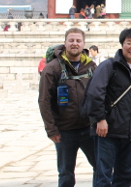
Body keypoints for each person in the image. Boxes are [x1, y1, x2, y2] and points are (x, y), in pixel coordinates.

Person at [85, 27, 131, 187]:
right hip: (108, 132)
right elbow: (95, 93)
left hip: (130, 135)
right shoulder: (109, 66)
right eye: (129, 43)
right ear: (122, 44)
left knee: (125, 176)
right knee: (104, 177)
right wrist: (100, 119)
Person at [38, 28, 97, 187]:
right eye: (71, 40)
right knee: (66, 174)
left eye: (78, 41)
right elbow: (44, 100)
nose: (74, 44)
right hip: (64, 131)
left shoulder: (91, 66)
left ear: (84, 44)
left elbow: (101, 95)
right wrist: (51, 129)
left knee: (101, 167)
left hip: (89, 128)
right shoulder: (53, 68)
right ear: (65, 43)